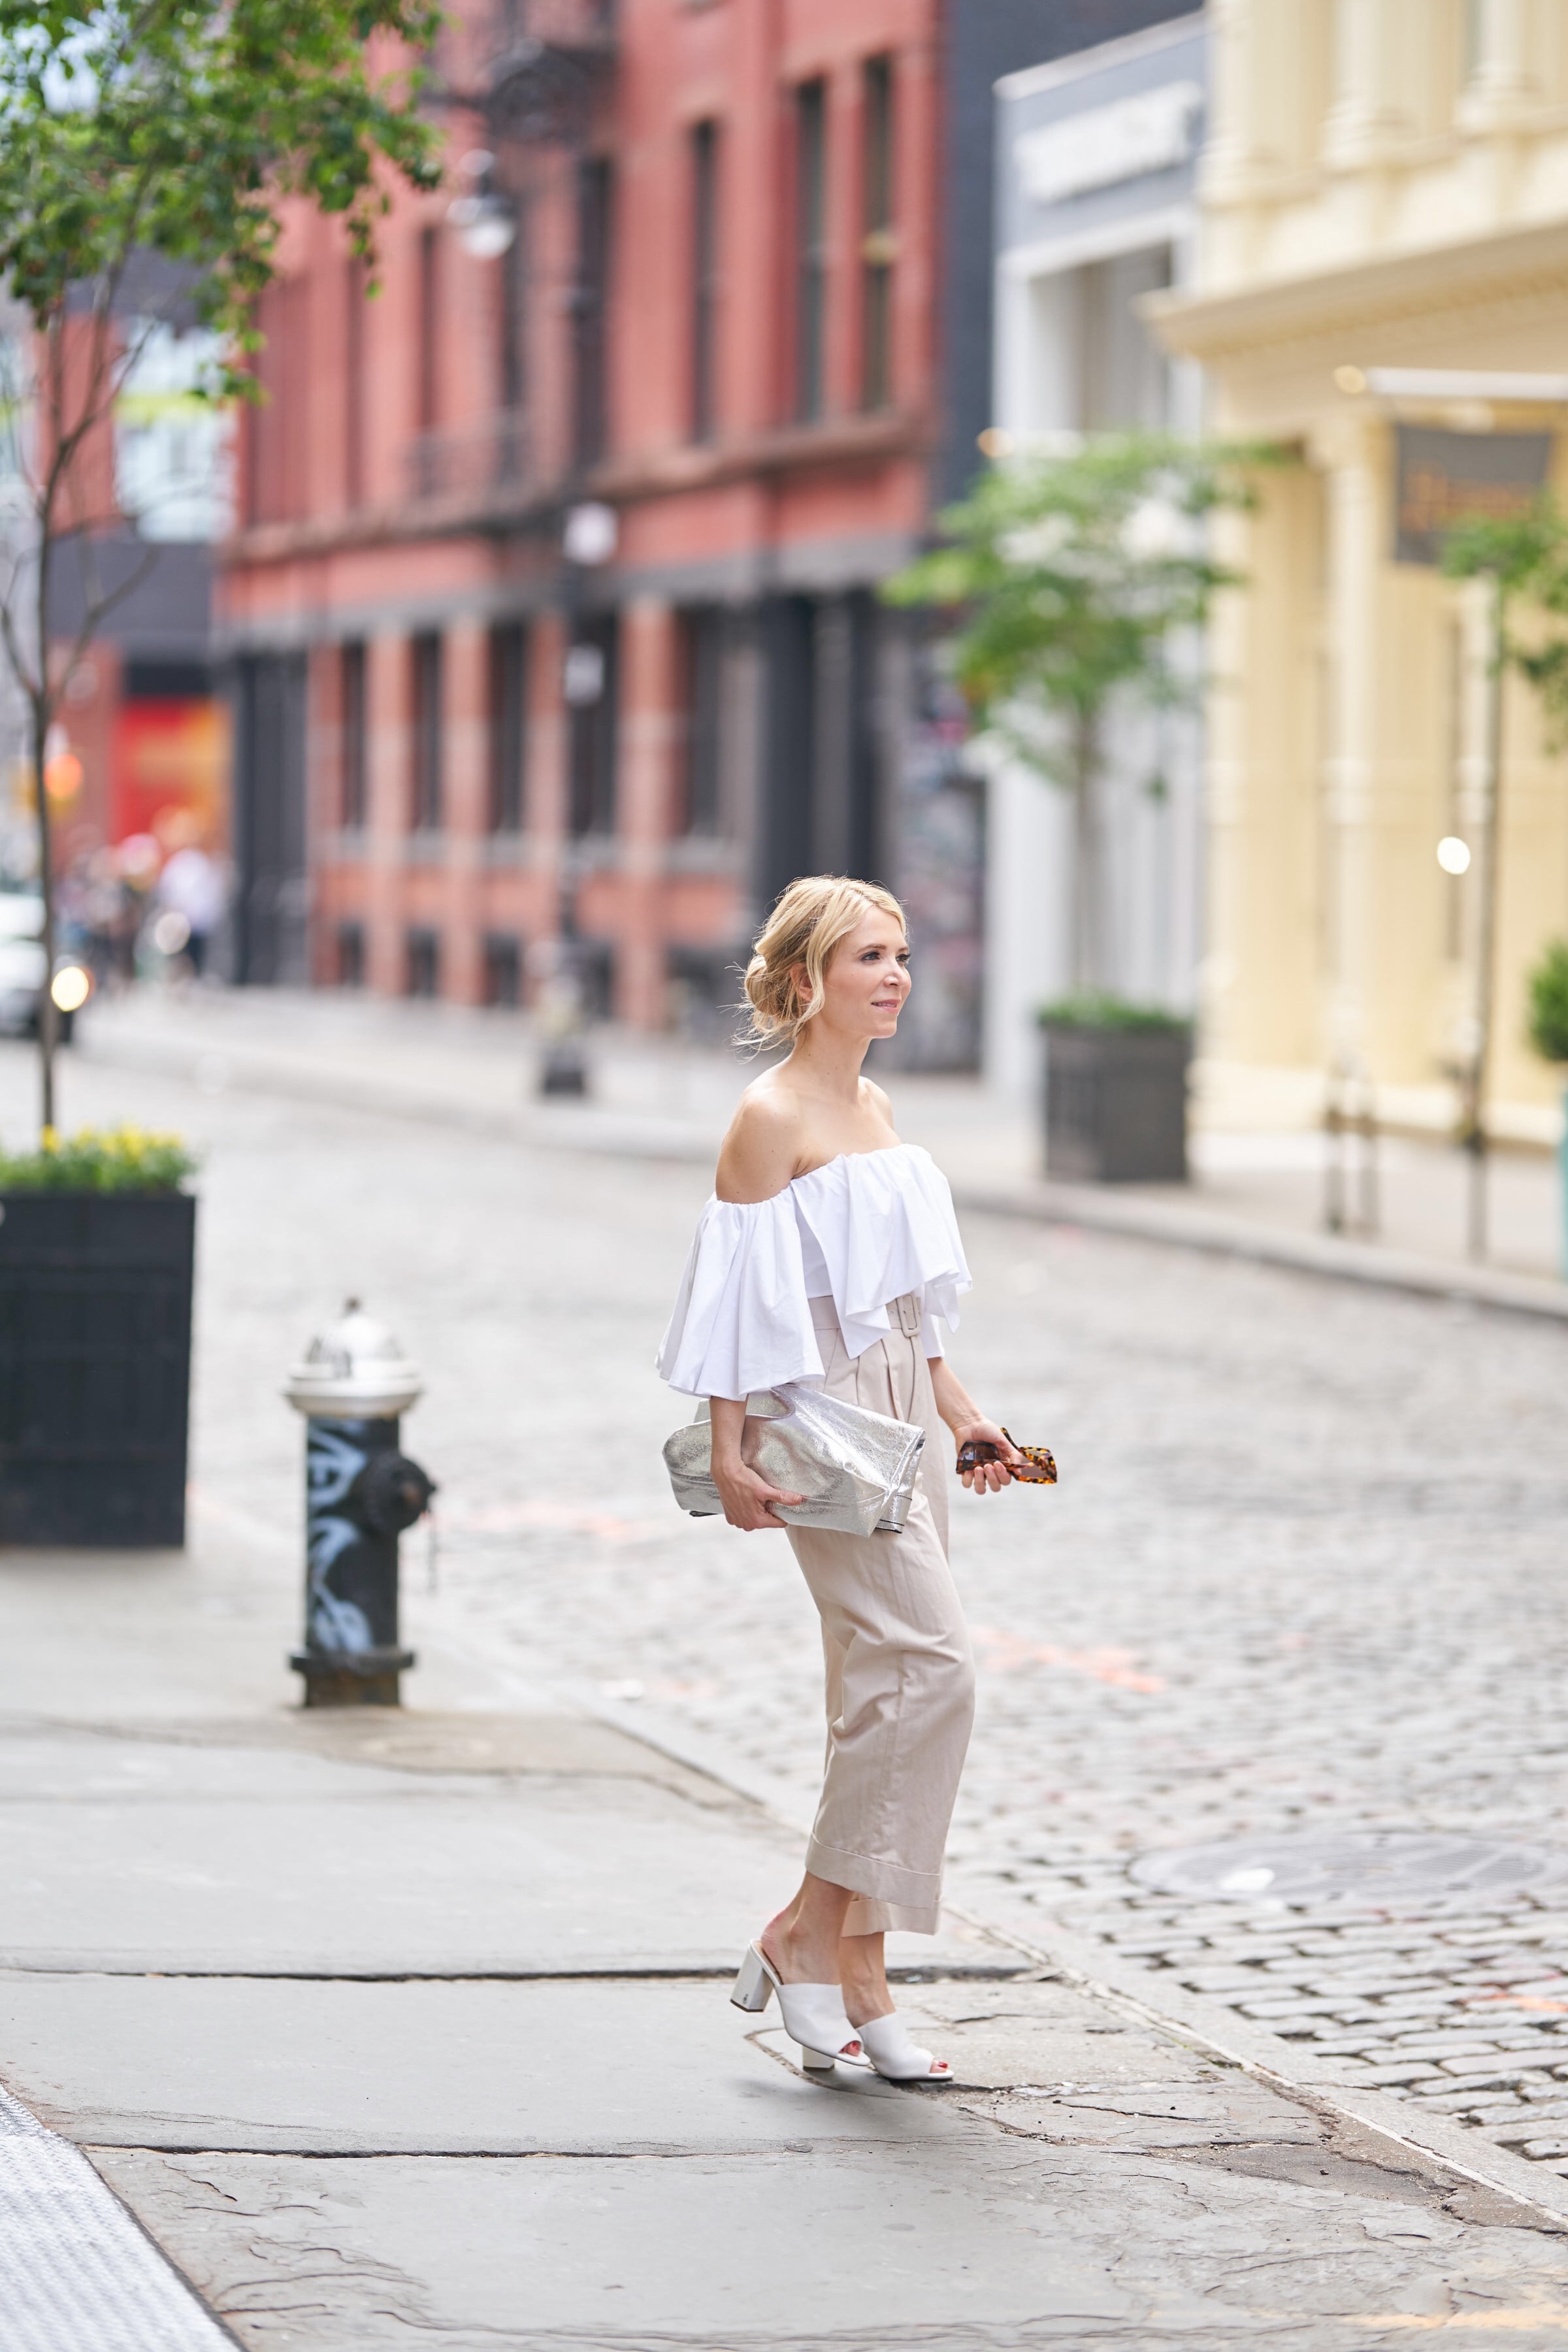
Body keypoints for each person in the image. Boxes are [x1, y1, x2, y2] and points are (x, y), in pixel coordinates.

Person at [657, 875, 1022, 2082]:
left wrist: (963, 1415)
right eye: (872, 954)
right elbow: (734, 1301)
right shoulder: (769, 1115)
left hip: (902, 1408)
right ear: (809, 977)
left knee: (876, 1687)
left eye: (904, 952)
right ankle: (809, 1931)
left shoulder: (874, 1103)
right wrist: (730, 1448)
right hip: (817, 1416)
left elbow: (910, 1308)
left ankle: (858, 1968)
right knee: (934, 1670)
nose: (898, 974)